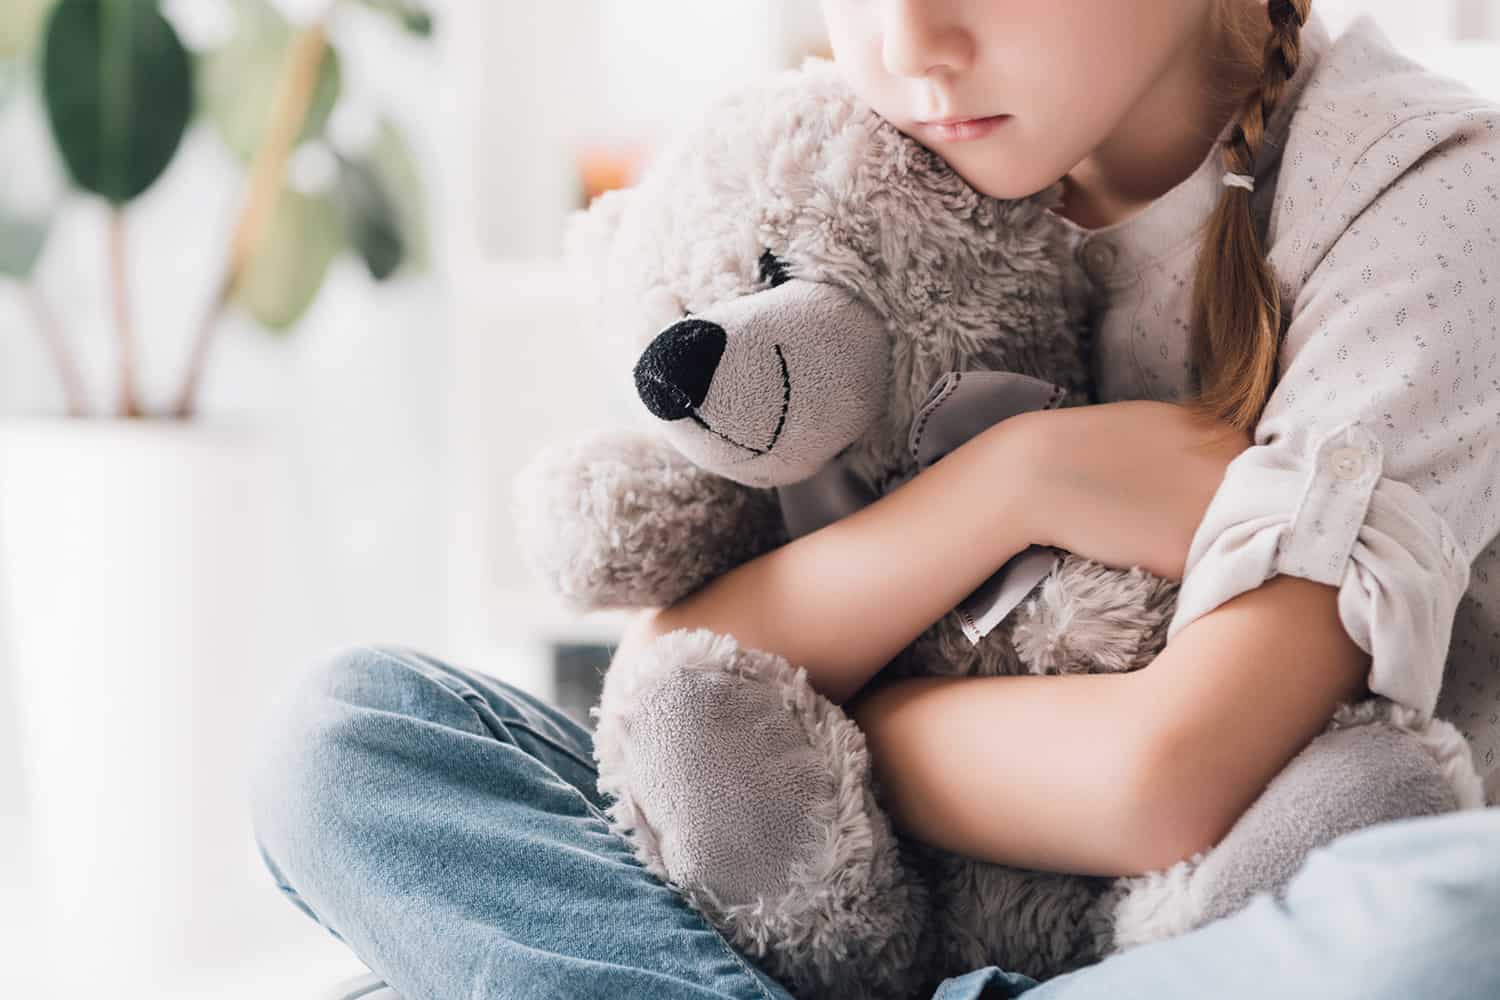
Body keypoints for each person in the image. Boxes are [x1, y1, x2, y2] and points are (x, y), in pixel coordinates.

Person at [248, 2, 1500, 998]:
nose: (911, 45)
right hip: (830, 916)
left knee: (1451, 922)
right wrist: (1017, 483)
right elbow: (675, 681)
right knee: (344, 738)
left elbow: (1167, 777)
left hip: (1182, 931)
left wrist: (810, 721)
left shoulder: (1416, 190)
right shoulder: (857, 148)